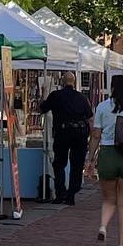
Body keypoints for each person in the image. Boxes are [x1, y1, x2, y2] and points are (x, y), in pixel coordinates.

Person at [86, 74, 123, 246]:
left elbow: (95, 135)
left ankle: (103, 227)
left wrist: (91, 159)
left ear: (111, 88)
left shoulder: (102, 107)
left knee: (108, 200)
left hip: (107, 154)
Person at [38, 75, 93, 205]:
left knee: (59, 163)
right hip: (80, 133)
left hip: (62, 132)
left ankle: (60, 193)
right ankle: (71, 194)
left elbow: (43, 108)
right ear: (74, 82)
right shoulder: (82, 98)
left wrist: (43, 95)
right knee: (76, 165)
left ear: (62, 82)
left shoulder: (56, 95)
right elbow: (90, 118)